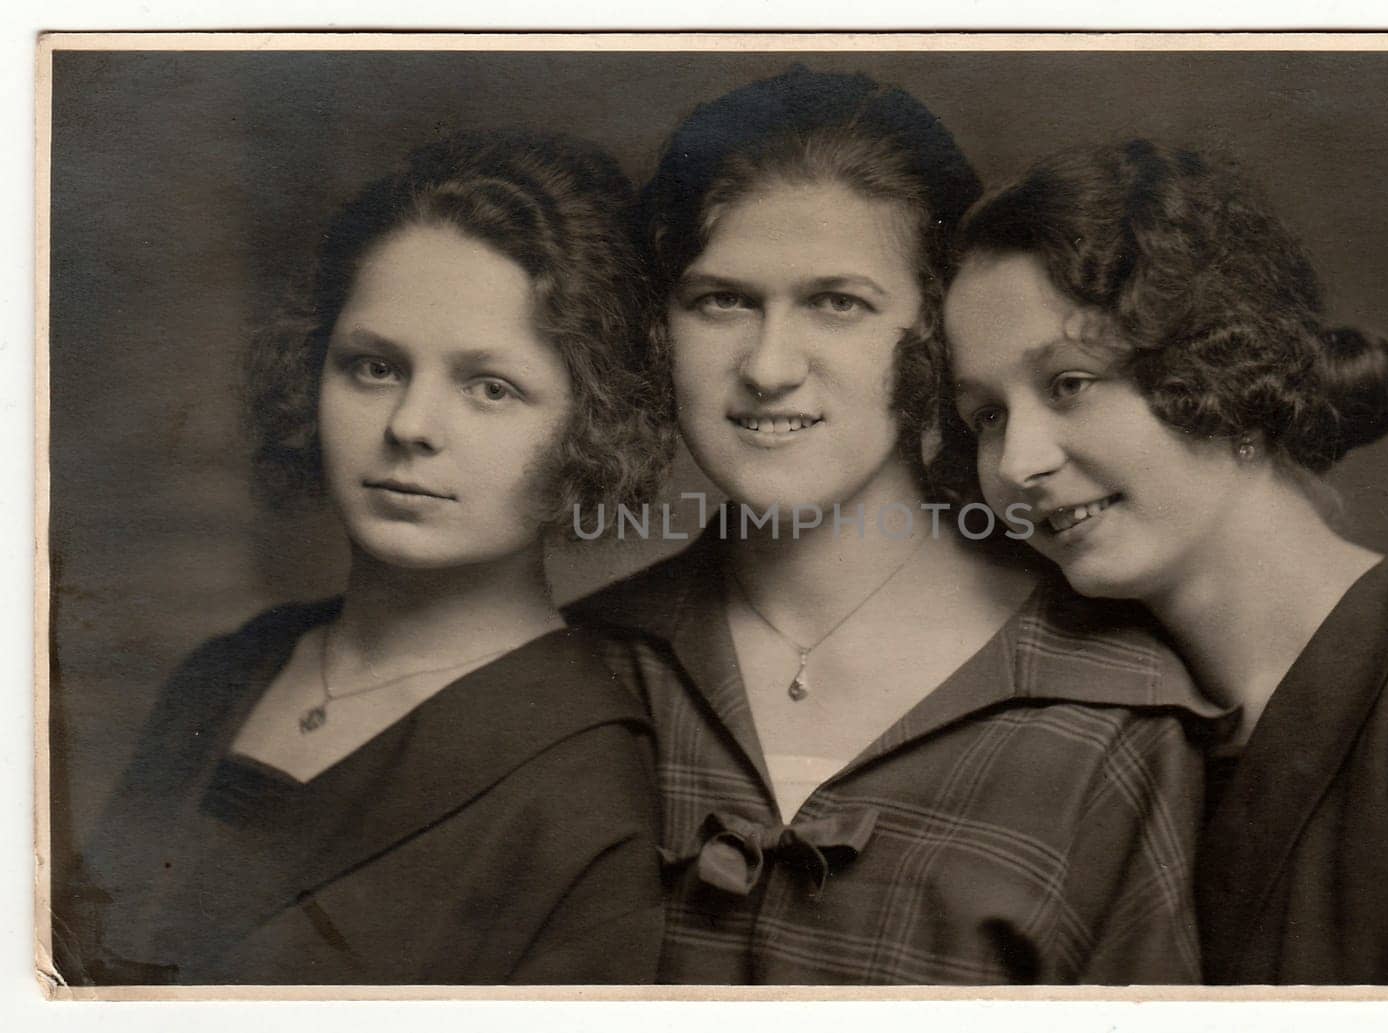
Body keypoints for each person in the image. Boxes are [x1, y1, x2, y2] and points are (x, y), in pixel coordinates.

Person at [571, 67, 1221, 985]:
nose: (768, 366)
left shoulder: (1114, 707)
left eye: (838, 303)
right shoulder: (581, 671)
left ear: (935, 331)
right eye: (722, 299)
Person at [54, 130, 673, 985]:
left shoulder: (580, 780)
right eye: (374, 367)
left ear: (591, 424)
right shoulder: (228, 672)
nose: (410, 425)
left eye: (489, 386)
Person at [940, 138, 1388, 985]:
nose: (1018, 463)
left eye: (1070, 382)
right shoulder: (1114, 733)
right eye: (987, 417)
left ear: (1221, 371)